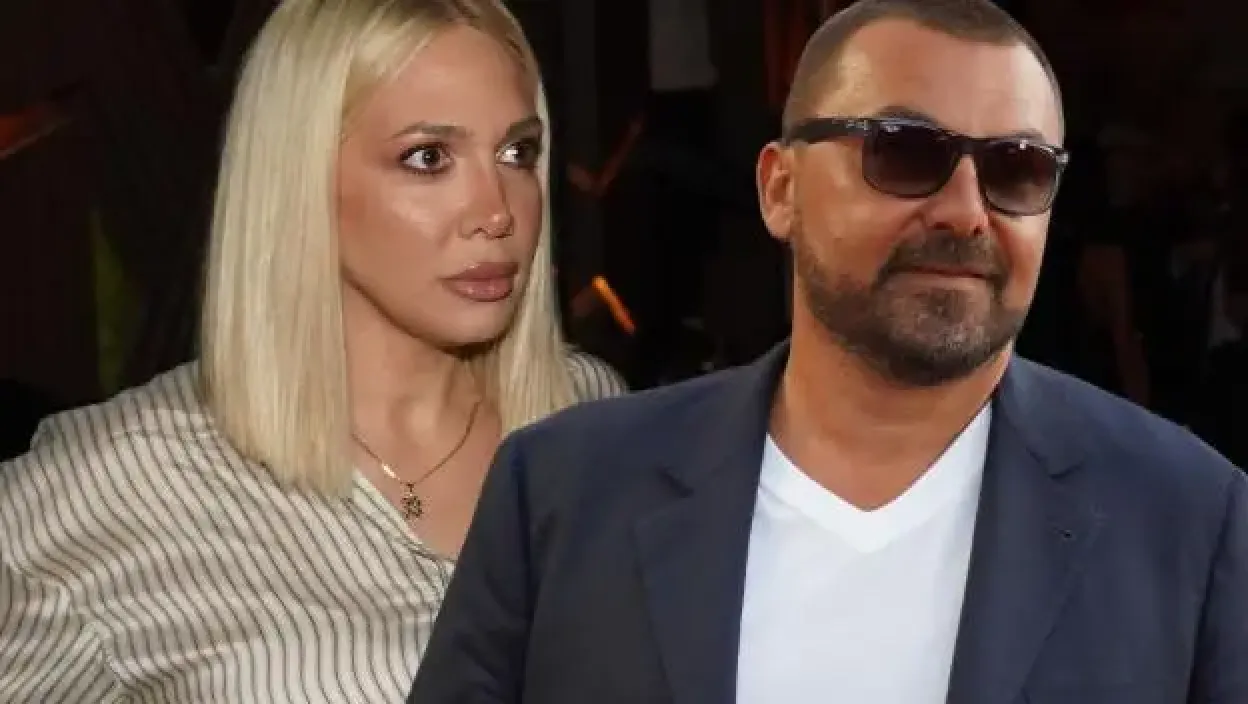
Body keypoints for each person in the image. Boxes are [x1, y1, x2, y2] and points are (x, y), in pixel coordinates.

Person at [409, 0, 1247, 702]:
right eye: (904, 152)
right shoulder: (563, 493)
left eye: (1017, 170)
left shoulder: (1185, 520)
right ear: (780, 189)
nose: (965, 211)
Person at [0, 0, 623, 701]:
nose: (497, 211)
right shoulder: (112, 487)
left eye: (517, 153)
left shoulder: (592, 417)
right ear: (298, 177)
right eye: (428, 158)